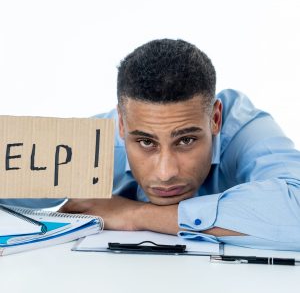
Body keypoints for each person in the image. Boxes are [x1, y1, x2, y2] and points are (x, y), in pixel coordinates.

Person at [3, 39, 300, 250]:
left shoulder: (244, 129)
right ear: (121, 124)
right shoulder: (93, 148)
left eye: (186, 140)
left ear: (216, 119)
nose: (165, 172)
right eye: (146, 142)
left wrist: (135, 214)